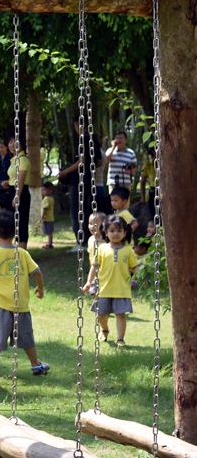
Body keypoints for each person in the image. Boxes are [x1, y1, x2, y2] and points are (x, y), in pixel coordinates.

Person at [0, 210, 49, 377]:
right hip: (21, 305)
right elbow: (37, 272)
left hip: (0, 306)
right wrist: (40, 288)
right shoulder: (23, 253)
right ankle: (35, 365)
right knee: (27, 338)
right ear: (15, 232)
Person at [82, 214, 140, 348]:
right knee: (101, 314)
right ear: (106, 233)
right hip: (103, 289)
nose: (115, 234)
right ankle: (105, 329)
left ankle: (120, 339)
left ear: (125, 233)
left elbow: (135, 268)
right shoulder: (101, 249)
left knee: (120, 315)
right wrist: (88, 282)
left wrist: (141, 280)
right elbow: (94, 267)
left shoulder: (128, 251)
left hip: (121, 289)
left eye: (119, 231)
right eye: (112, 231)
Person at [57, 119, 103, 252]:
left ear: (78, 126)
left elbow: (81, 161)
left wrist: (65, 172)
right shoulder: (95, 139)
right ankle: (87, 239)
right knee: (87, 210)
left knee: (76, 212)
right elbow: (98, 162)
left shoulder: (82, 139)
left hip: (79, 180)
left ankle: (81, 242)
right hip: (90, 179)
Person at [2, 136, 31, 249]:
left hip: (20, 193)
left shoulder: (22, 159)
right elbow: (15, 177)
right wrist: (8, 182)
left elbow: (21, 179)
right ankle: (16, 249)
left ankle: (22, 250)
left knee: (21, 222)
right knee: (14, 221)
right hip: (13, 190)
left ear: (22, 145)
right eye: (10, 142)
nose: (12, 145)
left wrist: (17, 196)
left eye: (15, 143)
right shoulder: (14, 158)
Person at [41, 181, 55, 249]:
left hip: (47, 218)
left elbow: (45, 209)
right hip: (50, 218)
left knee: (49, 232)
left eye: (44, 190)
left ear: (50, 190)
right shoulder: (51, 198)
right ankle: (49, 243)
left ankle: (49, 244)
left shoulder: (46, 199)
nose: (43, 192)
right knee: (49, 232)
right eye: (42, 190)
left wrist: (42, 217)